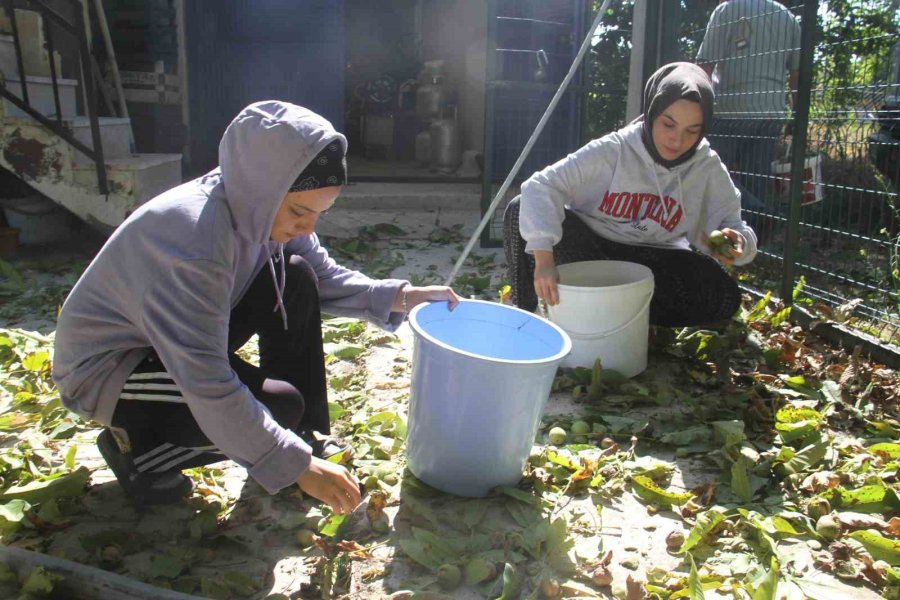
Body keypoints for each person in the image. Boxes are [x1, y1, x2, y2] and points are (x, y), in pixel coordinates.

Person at [52, 101, 460, 511]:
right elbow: (206, 381)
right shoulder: (197, 246)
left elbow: (323, 276)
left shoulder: (255, 204)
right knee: (279, 409)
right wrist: (292, 464)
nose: (307, 227)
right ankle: (139, 453)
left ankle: (308, 435)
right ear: (264, 190)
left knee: (297, 275)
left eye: (319, 213)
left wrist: (403, 297)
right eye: (300, 212)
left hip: (175, 336)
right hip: (114, 367)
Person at [503, 62, 758, 327]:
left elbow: (736, 228)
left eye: (691, 131)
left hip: (656, 260)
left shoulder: (707, 167)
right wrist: (544, 259)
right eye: (668, 124)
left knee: (723, 296)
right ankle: (527, 318)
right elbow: (540, 186)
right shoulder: (615, 149)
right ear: (651, 112)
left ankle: (619, 316)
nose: (677, 140)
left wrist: (739, 243)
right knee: (521, 208)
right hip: (593, 251)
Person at [696, 0, 801, 217]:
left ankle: (744, 218)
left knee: (709, 172)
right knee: (755, 181)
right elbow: (796, 77)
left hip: (729, 111)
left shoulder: (727, 9)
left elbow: (704, 67)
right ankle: (752, 235)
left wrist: (696, 111)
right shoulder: (788, 17)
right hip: (771, 115)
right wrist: (797, 117)